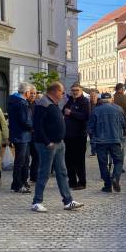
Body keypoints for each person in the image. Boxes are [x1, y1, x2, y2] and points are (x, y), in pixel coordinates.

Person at [31, 82, 84, 212]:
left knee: (62, 172)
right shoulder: (43, 104)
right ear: (54, 91)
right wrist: (47, 142)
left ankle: (68, 201)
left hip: (59, 143)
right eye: (62, 92)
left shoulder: (53, 103)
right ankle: (37, 202)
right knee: (44, 172)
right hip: (48, 144)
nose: (63, 94)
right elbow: (37, 125)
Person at [89, 93, 126, 193]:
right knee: (118, 161)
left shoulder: (96, 110)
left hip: (100, 141)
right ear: (111, 99)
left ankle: (107, 185)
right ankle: (115, 178)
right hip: (116, 140)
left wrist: (93, 140)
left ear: (101, 100)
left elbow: (90, 127)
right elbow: (125, 124)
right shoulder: (118, 109)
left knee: (103, 164)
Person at [8, 83, 35, 193]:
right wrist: (33, 127)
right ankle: (17, 185)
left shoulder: (13, 100)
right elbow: (25, 120)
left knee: (24, 160)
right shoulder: (22, 103)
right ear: (27, 92)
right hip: (22, 136)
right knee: (21, 161)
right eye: (30, 92)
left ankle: (23, 182)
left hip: (20, 135)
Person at [63, 83, 90, 190]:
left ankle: (82, 182)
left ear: (81, 91)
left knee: (79, 160)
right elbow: (63, 111)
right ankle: (72, 181)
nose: (74, 92)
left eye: (76, 90)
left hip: (79, 135)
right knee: (68, 159)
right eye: (73, 90)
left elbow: (85, 116)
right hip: (68, 135)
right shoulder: (70, 101)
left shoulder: (84, 102)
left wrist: (71, 113)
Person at [88, 89, 99, 156]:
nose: (92, 97)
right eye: (91, 96)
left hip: (98, 124)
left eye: (94, 96)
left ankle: (97, 150)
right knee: (92, 139)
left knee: (98, 139)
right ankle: (93, 152)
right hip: (90, 125)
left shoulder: (100, 104)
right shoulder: (88, 104)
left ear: (97, 96)